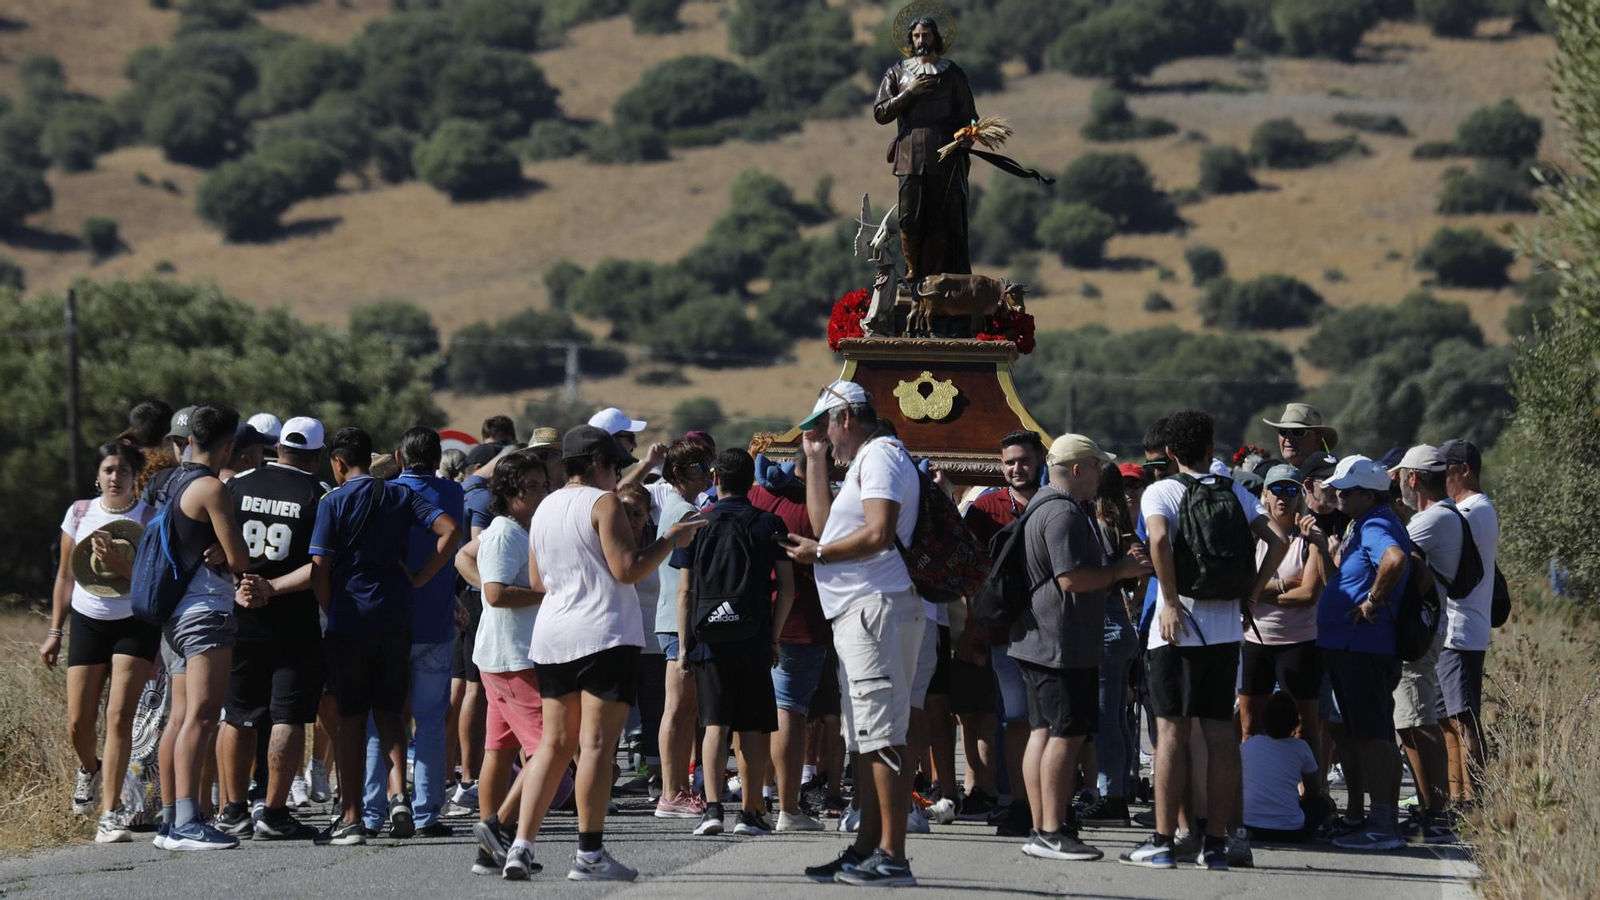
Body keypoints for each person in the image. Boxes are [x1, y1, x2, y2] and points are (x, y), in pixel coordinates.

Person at [502, 426, 704, 882]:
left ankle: (520, 845)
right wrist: (672, 538)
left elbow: (538, 583)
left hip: (552, 637)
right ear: (596, 463)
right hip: (604, 636)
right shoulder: (603, 502)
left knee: (552, 747)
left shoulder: (545, 506)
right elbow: (628, 569)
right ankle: (589, 854)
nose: (617, 473)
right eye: (613, 465)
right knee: (594, 746)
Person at [1122, 410, 1286, 871]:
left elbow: (1156, 541)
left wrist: (1169, 600)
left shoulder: (1162, 490)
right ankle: (1216, 843)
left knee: (1170, 733)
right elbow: (1277, 541)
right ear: (1210, 448)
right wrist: (1251, 591)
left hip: (1175, 631)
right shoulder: (1234, 490)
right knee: (1219, 734)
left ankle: (1162, 841)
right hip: (1224, 630)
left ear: (1170, 453)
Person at [781, 381, 923, 888]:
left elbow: (879, 532)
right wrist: (815, 458)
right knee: (865, 737)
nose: (822, 438)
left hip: (875, 610)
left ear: (845, 419)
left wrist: (819, 555)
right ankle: (868, 848)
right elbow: (826, 528)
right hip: (861, 612)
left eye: (822, 429)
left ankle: (892, 856)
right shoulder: (864, 459)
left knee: (883, 736)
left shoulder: (881, 456)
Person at [309, 427, 460, 846]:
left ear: (338, 464)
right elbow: (449, 531)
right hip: (397, 618)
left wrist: (330, 608)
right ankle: (401, 798)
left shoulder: (333, 501)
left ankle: (353, 817)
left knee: (353, 720)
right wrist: (419, 577)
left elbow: (320, 566)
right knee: (393, 714)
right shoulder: (398, 495)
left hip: (350, 620)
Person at [1013, 434, 1149, 862]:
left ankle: (1043, 827)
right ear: (1077, 469)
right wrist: (1120, 570)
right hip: (1060, 643)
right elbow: (1071, 579)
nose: (1100, 476)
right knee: (1065, 734)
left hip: (1044, 641)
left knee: (1043, 732)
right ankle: (1052, 830)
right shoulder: (1063, 513)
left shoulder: (1045, 505)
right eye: (1095, 467)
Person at [40, 442, 159, 842]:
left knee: (119, 717)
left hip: (134, 623)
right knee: (78, 722)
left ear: (134, 476)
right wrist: (55, 631)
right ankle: (89, 768)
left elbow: (150, 579)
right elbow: (64, 577)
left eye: (123, 470)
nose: (115, 477)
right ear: (98, 475)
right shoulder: (79, 513)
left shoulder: (150, 518)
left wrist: (118, 562)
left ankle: (110, 814)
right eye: (109, 469)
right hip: (89, 620)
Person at [216, 418, 328, 841]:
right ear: (317, 458)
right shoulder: (318, 496)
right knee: (288, 715)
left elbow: (213, 547)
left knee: (238, 713)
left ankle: (232, 809)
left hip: (241, 616)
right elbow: (321, 566)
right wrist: (274, 587)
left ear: (276, 448)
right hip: (294, 621)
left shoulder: (238, 484)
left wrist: (241, 585)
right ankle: (274, 813)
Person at [674, 449, 795, 838]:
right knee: (752, 728)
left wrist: (682, 646)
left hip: (708, 639)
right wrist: (774, 637)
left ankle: (711, 809)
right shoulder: (768, 523)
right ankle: (750, 811)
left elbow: (685, 591)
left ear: (715, 478)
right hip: (753, 634)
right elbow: (788, 589)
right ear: (751, 481)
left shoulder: (694, 522)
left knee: (714, 725)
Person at [155, 404, 254, 851]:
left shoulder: (173, 481)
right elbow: (239, 559)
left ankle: (170, 819)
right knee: (201, 715)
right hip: (205, 614)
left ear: (190, 439)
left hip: (174, 615)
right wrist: (226, 543)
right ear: (229, 446)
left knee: (179, 717)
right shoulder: (212, 487)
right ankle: (188, 823)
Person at [360, 427, 465, 838]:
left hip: (390, 622)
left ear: (401, 459)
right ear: (438, 459)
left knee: (380, 720)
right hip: (436, 625)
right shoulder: (452, 494)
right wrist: (426, 578)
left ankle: (371, 812)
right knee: (431, 722)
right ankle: (426, 812)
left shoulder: (385, 494)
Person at [463, 451, 554, 876]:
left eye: (542, 485)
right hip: (513, 658)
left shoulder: (518, 530)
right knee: (549, 749)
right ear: (507, 492)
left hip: (505, 656)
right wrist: (549, 593)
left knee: (498, 751)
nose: (540, 493)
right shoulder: (505, 534)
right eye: (531, 487)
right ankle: (498, 826)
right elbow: (496, 594)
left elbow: (467, 558)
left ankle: (488, 847)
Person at [1317, 455, 1411, 852]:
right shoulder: (1366, 523)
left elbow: (1395, 559)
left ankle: (1383, 826)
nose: (1337, 493)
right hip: (1353, 647)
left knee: (1373, 737)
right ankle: (1373, 820)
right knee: (1369, 734)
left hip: (1363, 647)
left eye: (1345, 489)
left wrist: (1372, 600)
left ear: (1367, 494)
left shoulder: (1376, 524)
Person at [960, 429, 1047, 837]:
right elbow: (971, 574)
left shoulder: (1056, 501)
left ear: (1040, 461)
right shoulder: (985, 507)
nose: (1016, 468)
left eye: (1024, 461)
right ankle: (1019, 803)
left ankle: (1052, 805)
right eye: (1009, 461)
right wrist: (974, 628)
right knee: (1016, 720)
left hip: (1051, 633)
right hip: (1003, 636)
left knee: (1050, 723)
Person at [749, 449, 829, 832]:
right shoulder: (814, 504)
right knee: (789, 712)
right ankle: (788, 808)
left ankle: (761, 796)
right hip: (800, 617)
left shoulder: (757, 494)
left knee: (759, 712)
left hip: (755, 618)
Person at [1389, 445, 1461, 844]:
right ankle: (1429, 805)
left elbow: (1394, 549)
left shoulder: (1432, 519)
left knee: (1420, 720)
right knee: (1410, 721)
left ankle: (1438, 810)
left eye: (1400, 475)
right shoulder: (1439, 515)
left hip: (1422, 630)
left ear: (1413, 478)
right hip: (1429, 626)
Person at [873, 12, 976, 282]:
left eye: (926, 35)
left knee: (941, 214)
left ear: (936, 38)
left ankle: (937, 273)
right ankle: (913, 269)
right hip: (909, 153)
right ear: (910, 39)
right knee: (910, 215)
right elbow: (881, 112)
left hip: (944, 152)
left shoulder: (952, 74)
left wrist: (968, 134)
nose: (922, 40)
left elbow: (969, 115)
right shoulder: (897, 73)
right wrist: (909, 93)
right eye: (917, 35)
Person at [1239, 465, 1326, 763]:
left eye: (1291, 491)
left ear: (1300, 495)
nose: (1283, 497)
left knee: (1304, 726)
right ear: (1264, 494)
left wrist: (1257, 592)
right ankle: (1251, 790)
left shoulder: (1309, 537)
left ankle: (1312, 795)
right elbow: (1241, 587)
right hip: (1256, 640)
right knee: (1250, 725)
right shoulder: (1251, 536)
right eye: (1277, 490)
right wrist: (1283, 584)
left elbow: (1308, 594)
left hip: (1299, 642)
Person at [1080, 461, 1150, 828]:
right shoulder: (1124, 526)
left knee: (1106, 721)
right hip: (1124, 626)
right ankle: (1120, 788)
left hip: (1104, 627)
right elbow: (1146, 564)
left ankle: (1113, 798)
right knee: (1119, 721)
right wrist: (1135, 599)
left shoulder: (1099, 526)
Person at [651, 438, 716, 820]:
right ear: (677, 473)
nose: (707, 473)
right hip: (679, 622)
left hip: (676, 619)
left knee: (683, 710)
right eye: (698, 468)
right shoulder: (685, 512)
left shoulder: (682, 508)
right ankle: (671, 792)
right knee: (678, 709)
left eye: (708, 466)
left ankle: (675, 788)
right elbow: (686, 580)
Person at [1438, 439, 1495, 808]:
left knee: (1463, 719)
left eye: (1445, 469)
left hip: (1461, 630)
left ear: (1464, 470)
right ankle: (1456, 798)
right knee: (1449, 720)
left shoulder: (1473, 510)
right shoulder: (1471, 509)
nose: (1441, 477)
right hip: (1456, 630)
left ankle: (1476, 800)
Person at [1240, 692, 1331, 844]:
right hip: (1290, 831)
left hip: (1249, 827)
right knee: (1323, 804)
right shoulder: (1301, 747)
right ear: (1295, 724)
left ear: (1263, 721)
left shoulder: (1248, 745)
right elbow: (1313, 791)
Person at [1260, 404, 1339, 470]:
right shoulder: (1274, 480)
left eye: (1297, 432)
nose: (1288, 438)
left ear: (1317, 439)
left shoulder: (1328, 480)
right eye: (1283, 431)